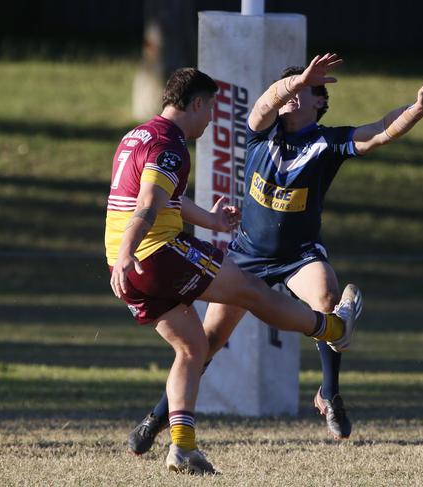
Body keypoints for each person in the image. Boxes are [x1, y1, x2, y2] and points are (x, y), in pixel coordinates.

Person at [128, 53, 423, 451]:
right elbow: (266, 102)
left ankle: (329, 395)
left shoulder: (328, 142)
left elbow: (381, 131)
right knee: (207, 342)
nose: (293, 95)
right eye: (291, 88)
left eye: (306, 91)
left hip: (298, 254)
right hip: (247, 252)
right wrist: (297, 81)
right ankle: (159, 416)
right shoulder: (261, 131)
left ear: (321, 102)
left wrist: (419, 108)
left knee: (327, 298)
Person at [105, 66, 361, 475]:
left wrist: (206, 220)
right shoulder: (170, 144)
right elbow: (149, 205)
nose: (211, 120)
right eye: (211, 110)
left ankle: (182, 447)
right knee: (254, 293)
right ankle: (334, 329)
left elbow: (161, 198)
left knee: (192, 349)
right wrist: (129, 250)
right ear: (198, 103)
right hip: (157, 253)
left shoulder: (137, 135)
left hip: (129, 268)